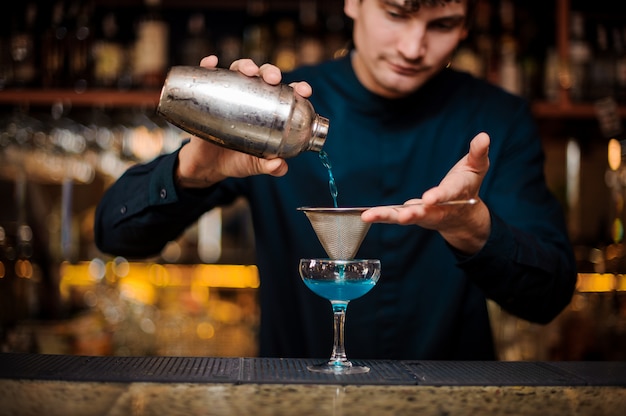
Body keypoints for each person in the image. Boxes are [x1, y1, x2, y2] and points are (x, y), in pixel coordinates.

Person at [94, 0, 577, 360]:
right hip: (295, 401)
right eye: (396, 13)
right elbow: (116, 233)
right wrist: (192, 171)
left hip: (452, 400)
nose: (414, 47)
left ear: (468, 22)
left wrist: (476, 232)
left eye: (442, 25)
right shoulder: (277, 107)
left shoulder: (497, 120)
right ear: (353, 3)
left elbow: (549, 298)